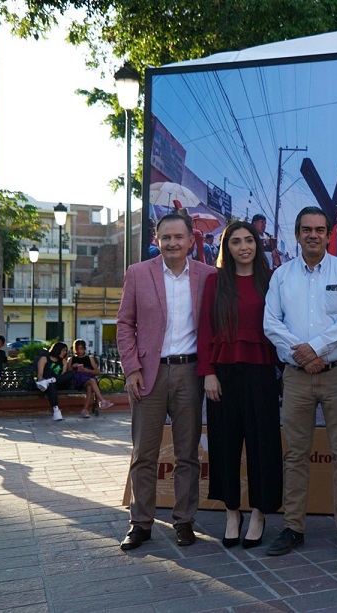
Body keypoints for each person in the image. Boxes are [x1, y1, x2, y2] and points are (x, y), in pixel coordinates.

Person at [263, 206, 337, 557]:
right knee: (294, 454)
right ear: (297, 234)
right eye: (306, 229)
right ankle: (293, 528)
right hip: (297, 376)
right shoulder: (281, 276)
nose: (313, 235)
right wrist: (302, 356)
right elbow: (271, 323)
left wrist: (315, 348)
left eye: (320, 229)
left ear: (328, 234)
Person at [116, 213, 217, 551]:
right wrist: (131, 369)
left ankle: (184, 521)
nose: (172, 243)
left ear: (191, 240)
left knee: (187, 454)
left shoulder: (207, 276)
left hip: (190, 373)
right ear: (156, 239)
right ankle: (140, 523)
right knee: (144, 453)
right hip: (148, 374)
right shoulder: (138, 273)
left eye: (179, 237)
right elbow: (124, 324)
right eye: (166, 237)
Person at [198, 221, 283, 549]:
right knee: (225, 445)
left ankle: (260, 512)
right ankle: (232, 512)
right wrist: (208, 372)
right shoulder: (214, 282)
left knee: (263, 445)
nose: (244, 246)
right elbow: (205, 329)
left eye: (249, 240)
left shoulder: (270, 279)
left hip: (262, 372)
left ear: (257, 244)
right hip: (222, 374)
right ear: (227, 247)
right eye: (236, 241)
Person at [69, 339, 115, 418]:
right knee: (92, 381)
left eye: (82, 349)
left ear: (84, 348)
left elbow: (97, 371)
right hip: (78, 380)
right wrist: (73, 366)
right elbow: (68, 371)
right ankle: (102, 401)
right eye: (78, 349)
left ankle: (85, 410)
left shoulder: (89, 358)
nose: (80, 351)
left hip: (88, 377)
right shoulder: (72, 359)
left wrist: (86, 370)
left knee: (90, 386)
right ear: (75, 349)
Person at [35, 342, 74, 421]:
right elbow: (40, 375)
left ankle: (51, 380)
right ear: (57, 350)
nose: (65, 353)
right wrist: (43, 380)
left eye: (66, 351)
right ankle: (56, 410)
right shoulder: (45, 359)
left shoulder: (63, 361)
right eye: (63, 350)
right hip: (44, 385)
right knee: (52, 385)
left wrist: (56, 380)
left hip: (59, 382)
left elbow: (62, 376)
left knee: (71, 373)